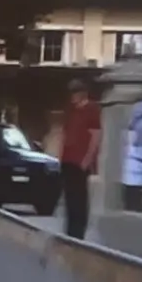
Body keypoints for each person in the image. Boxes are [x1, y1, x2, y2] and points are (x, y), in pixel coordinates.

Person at [59, 78, 101, 240]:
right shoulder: (71, 111)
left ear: (83, 94)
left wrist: (87, 160)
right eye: (71, 93)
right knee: (70, 197)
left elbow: (96, 136)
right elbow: (66, 134)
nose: (72, 96)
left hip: (80, 161)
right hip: (67, 160)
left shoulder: (92, 109)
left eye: (75, 93)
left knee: (79, 198)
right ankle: (70, 231)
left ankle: (78, 232)